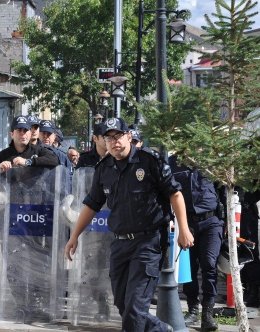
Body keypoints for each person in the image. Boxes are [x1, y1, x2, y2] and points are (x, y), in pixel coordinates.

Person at [65, 117, 194, 332]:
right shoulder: (104, 168)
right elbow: (91, 205)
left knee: (135, 308)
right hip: (120, 244)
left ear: (128, 136)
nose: (115, 142)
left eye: (118, 136)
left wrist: (184, 229)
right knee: (123, 304)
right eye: (109, 138)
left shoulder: (149, 161)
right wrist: (74, 236)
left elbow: (175, 194)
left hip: (148, 242)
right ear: (103, 141)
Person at [168, 155, 223, 330]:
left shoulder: (211, 159)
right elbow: (166, 192)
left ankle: (208, 312)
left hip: (211, 221)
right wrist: (170, 219)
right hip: (187, 224)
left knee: (209, 263)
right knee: (189, 268)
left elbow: (224, 189)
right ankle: (192, 309)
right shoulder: (172, 163)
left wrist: (227, 221)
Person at [0, 116, 59, 185]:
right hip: (10, 197)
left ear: (30, 133)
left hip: (35, 196)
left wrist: (28, 161)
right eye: (19, 130)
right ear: (12, 134)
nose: (23, 134)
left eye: (25, 130)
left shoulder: (38, 150)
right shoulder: (1, 156)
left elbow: (54, 159)